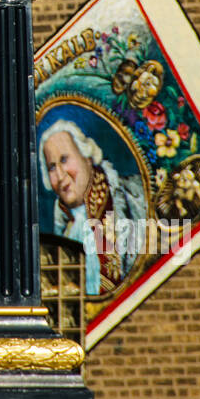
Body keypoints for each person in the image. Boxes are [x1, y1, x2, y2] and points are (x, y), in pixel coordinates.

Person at [39, 119, 148, 297]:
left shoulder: (132, 197)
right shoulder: (64, 229)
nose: (59, 175)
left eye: (64, 160)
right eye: (52, 167)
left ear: (87, 158)